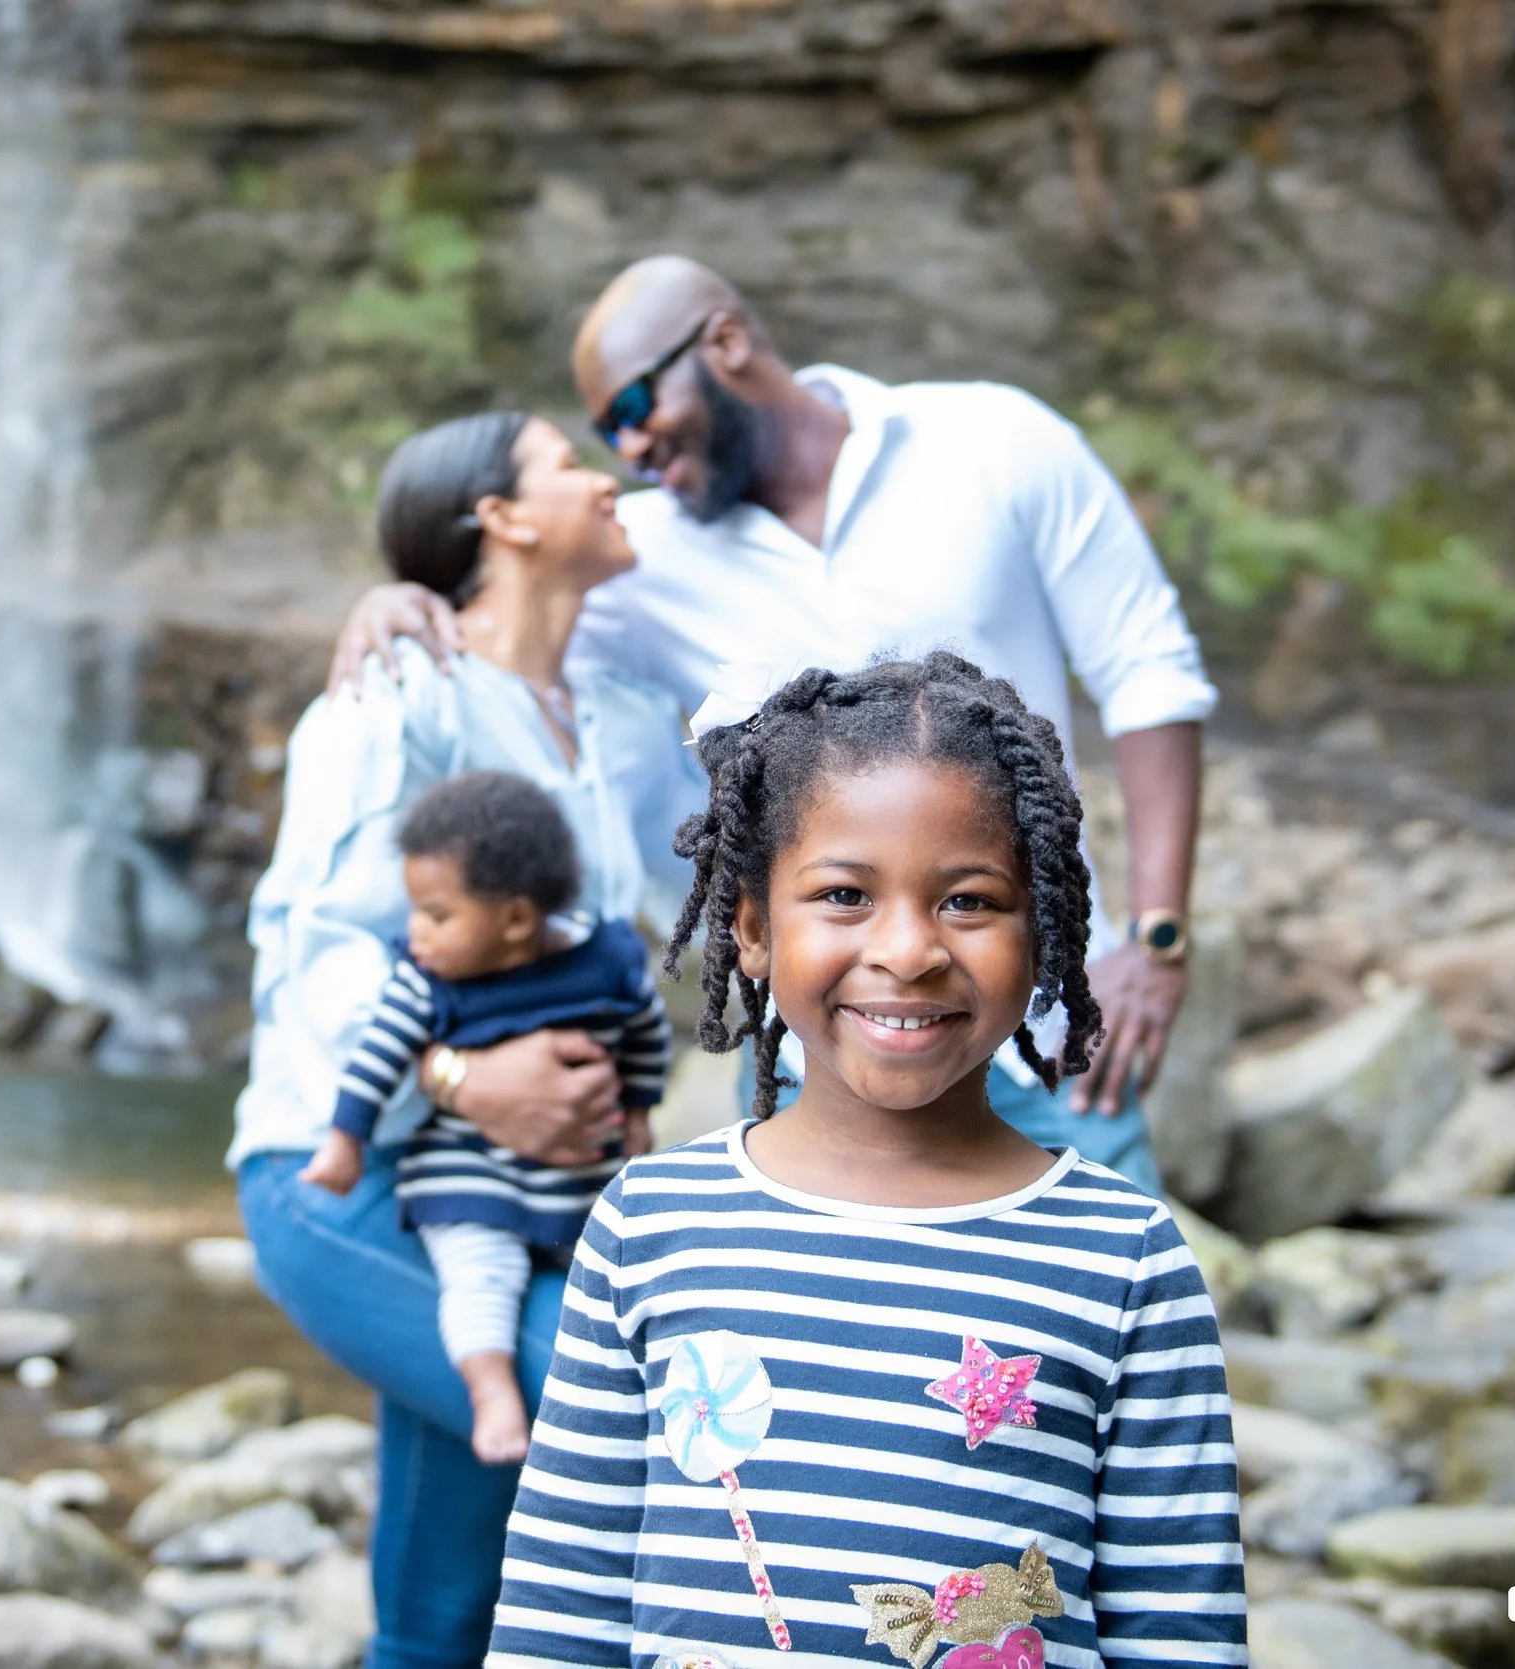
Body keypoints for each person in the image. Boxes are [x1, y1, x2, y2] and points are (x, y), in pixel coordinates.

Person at [331, 256, 1215, 1199]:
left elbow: (1148, 670)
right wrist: (396, 597)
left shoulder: (995, 440)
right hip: (822, 1054)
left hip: (1039, 1014)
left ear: (725, 341)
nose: (629, 449)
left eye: (634, 405)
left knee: (1104, 1303)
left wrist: (1155, 942)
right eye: (603, 434)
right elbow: (502, 616)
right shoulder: (642, 556)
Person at [489, 655, 1245, 1668]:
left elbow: (1182, 1635)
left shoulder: (1126, 1258)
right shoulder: (651, 1223)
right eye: (843, 894)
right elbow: (558, 1608)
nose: (908, 949)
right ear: (753, 928)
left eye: (969, 902)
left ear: (1046, 933)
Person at [233, 411, 701, 1669]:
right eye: (568, 463)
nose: (607, 480)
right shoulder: (400, 690)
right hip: (350, 1178)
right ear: (497, 518)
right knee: (634, 1445)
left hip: (537, 1199)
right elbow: (317, 948)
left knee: (441, 1607)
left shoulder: (616, 716)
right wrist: (463, 1078)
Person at [302, 770, 669, 1466]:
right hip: (468, 1178)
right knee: (480, 1274)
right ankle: (490, 1385)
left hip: (579, 1180)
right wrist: (344, 1140)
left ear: (516, 921)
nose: (414, 935)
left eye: (436, 915)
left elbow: (647, 1029)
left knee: (619, 1266)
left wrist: (639, 1109)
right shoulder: (427, 981)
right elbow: (377, 1057)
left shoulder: (609, 959)